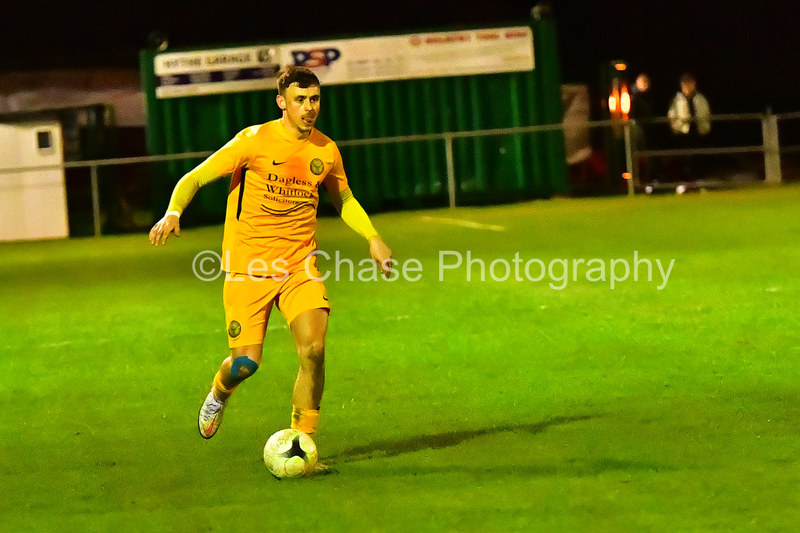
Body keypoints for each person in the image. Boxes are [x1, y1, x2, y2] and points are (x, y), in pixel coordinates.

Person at [148, 66, 393, 468]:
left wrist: (373, 237)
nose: (309, 108)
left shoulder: (326, 150)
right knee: (245, 363)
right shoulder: (254, 140)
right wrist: (173, 212)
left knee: (314, 350)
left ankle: (303, 441)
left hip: (300, 266)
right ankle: (219, 393)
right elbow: (194, 178)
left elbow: (345, 199)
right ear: (282, 102)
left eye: (314, 99)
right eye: (300, 100)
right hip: (249, 267)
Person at [667, 72, 711, 179]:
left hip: (698, 131)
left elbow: (706, 113)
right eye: (685, 84)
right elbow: (672, 115)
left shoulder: (700, 98)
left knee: (698, 156)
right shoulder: (677, 99)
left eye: (690, 83)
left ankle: (698, 178)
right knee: (684, 157)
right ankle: (685, 179)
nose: (687, 86)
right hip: (683, 132)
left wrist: (705, 127)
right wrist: (678, 127)